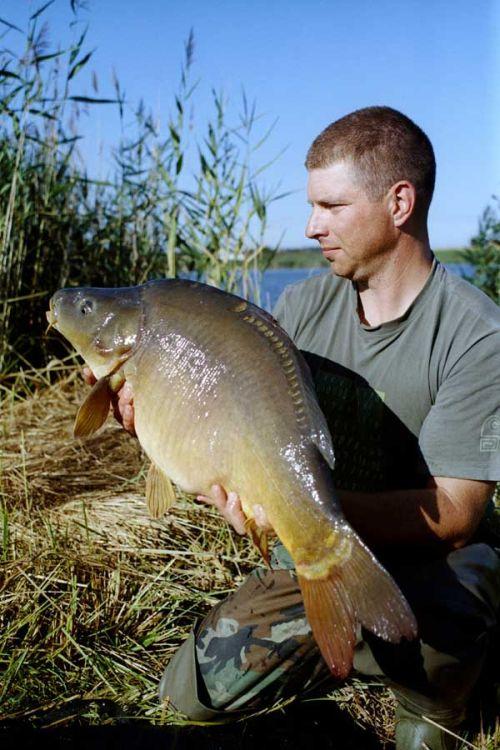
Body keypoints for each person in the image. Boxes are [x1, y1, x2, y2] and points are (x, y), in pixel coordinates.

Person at [86, 106, 500, 750]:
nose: (311, 227)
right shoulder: (301, 309)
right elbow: (241, 436)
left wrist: (302, 510)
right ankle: (353, 648)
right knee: (193, 695)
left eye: (330, 206)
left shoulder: (476, 334)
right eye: (312, 207)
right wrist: (211, 468)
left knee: (456, 605)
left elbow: (454, 517)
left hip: (433, 563)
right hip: (310, 553)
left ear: (398, 203)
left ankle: (434, 701)